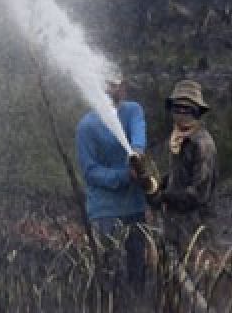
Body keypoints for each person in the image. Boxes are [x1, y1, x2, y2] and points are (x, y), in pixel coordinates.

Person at [75, 76, 155, 295]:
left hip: (134, 210)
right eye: (108, 84)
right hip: (105, 212)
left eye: (118, 84)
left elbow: (138, 133)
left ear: (124, 87)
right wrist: (125, 176)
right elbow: (91, 172)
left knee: (137, 273)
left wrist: (136, 153)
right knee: (111, 274)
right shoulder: (86, 127)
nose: (115, 89)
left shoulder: (133, 111)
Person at [150, 79, 218, 253]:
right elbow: (178, 174)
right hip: (173, 222)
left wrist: (164, 197)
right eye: (177, 107)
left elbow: (198, 194)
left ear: (196, 111)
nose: (180, 112)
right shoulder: (178, 137)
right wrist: (159, 185)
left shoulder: (202, 144)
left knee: (189, 274)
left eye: (186, 108)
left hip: (193, 225)